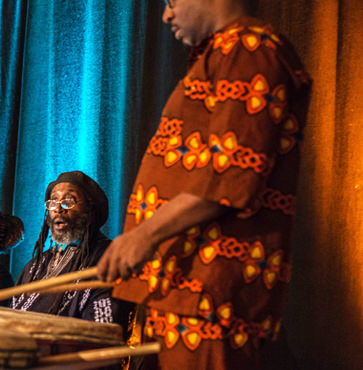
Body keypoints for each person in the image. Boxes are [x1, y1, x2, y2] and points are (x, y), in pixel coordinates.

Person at [97, 0, 311, 369]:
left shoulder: (251, 48)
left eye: (171, 1)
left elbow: (232, 176)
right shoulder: (223, 52)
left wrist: (144, 235)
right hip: (183, 283)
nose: (166, 15)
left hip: (210, 291)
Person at [12, 171, 135, 332]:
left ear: (90, 210)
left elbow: (102, 332)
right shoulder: (36, 265)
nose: (58, 208)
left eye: (69, 201)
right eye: (53, 200)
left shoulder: (109, 259)